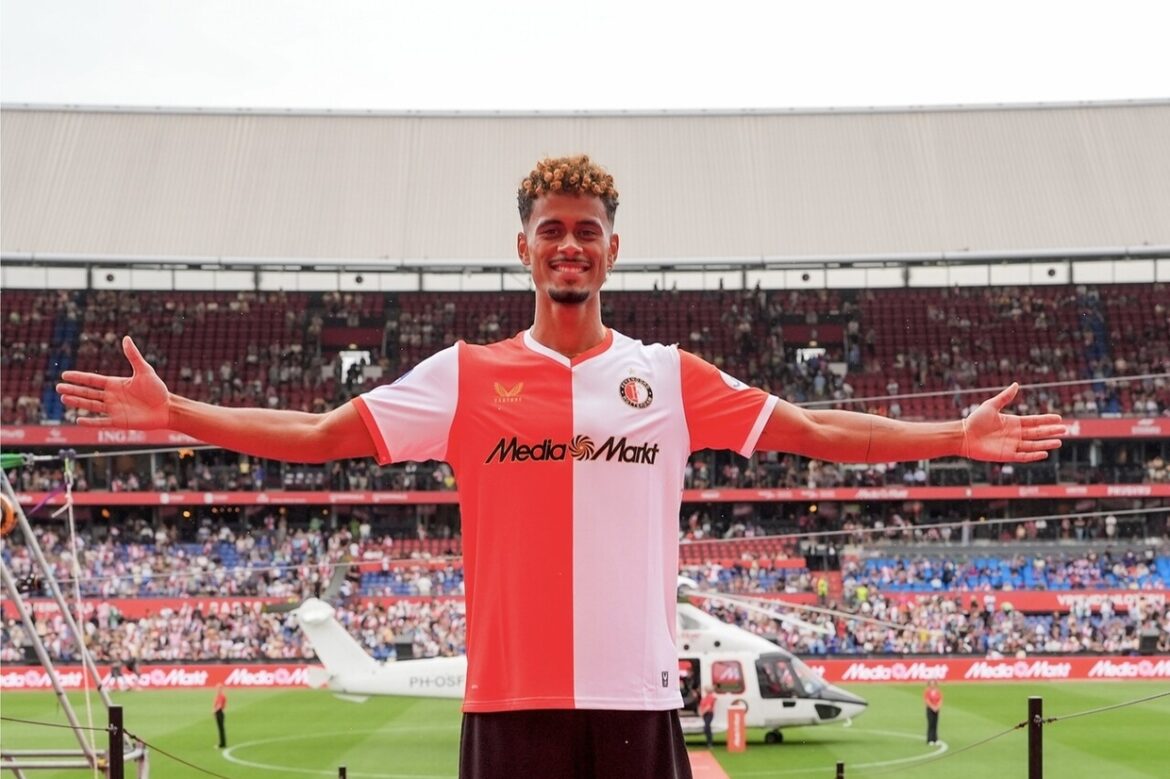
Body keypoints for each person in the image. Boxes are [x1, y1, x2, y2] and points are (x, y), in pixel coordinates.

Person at [58, 154, 1065, 779]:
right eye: (552, 230)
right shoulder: (465, 374)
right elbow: (321, 433)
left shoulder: (668, 376)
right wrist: (176, 412)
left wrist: (951, 435)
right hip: (509, 707)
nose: (569, 245)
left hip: (637, 703)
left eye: (587, 231)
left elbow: (813, 428)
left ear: (613, 249)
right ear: (525, 248)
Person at [925, 680, 943, 745]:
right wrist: (932, 707)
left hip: (936, 709)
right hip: (930, 709)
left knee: (935, 724)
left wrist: (938, 707)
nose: (932, 685)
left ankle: (935, 739)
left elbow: (940, 699)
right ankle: (930, 739)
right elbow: (927, 700)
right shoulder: (927, 691)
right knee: (931, 724)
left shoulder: (938, 691)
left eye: (933, 684)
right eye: (931, 684)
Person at [213, 684, 227, 749]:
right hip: (218, 712)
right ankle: (222, 743)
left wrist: (214, 711)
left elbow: (219, 705)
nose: (217, 690)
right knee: (220, 729)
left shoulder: (221, 696)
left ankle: (222, 744)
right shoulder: (219, 696)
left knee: (221, 729)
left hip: (220, 712)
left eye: (218, 688)